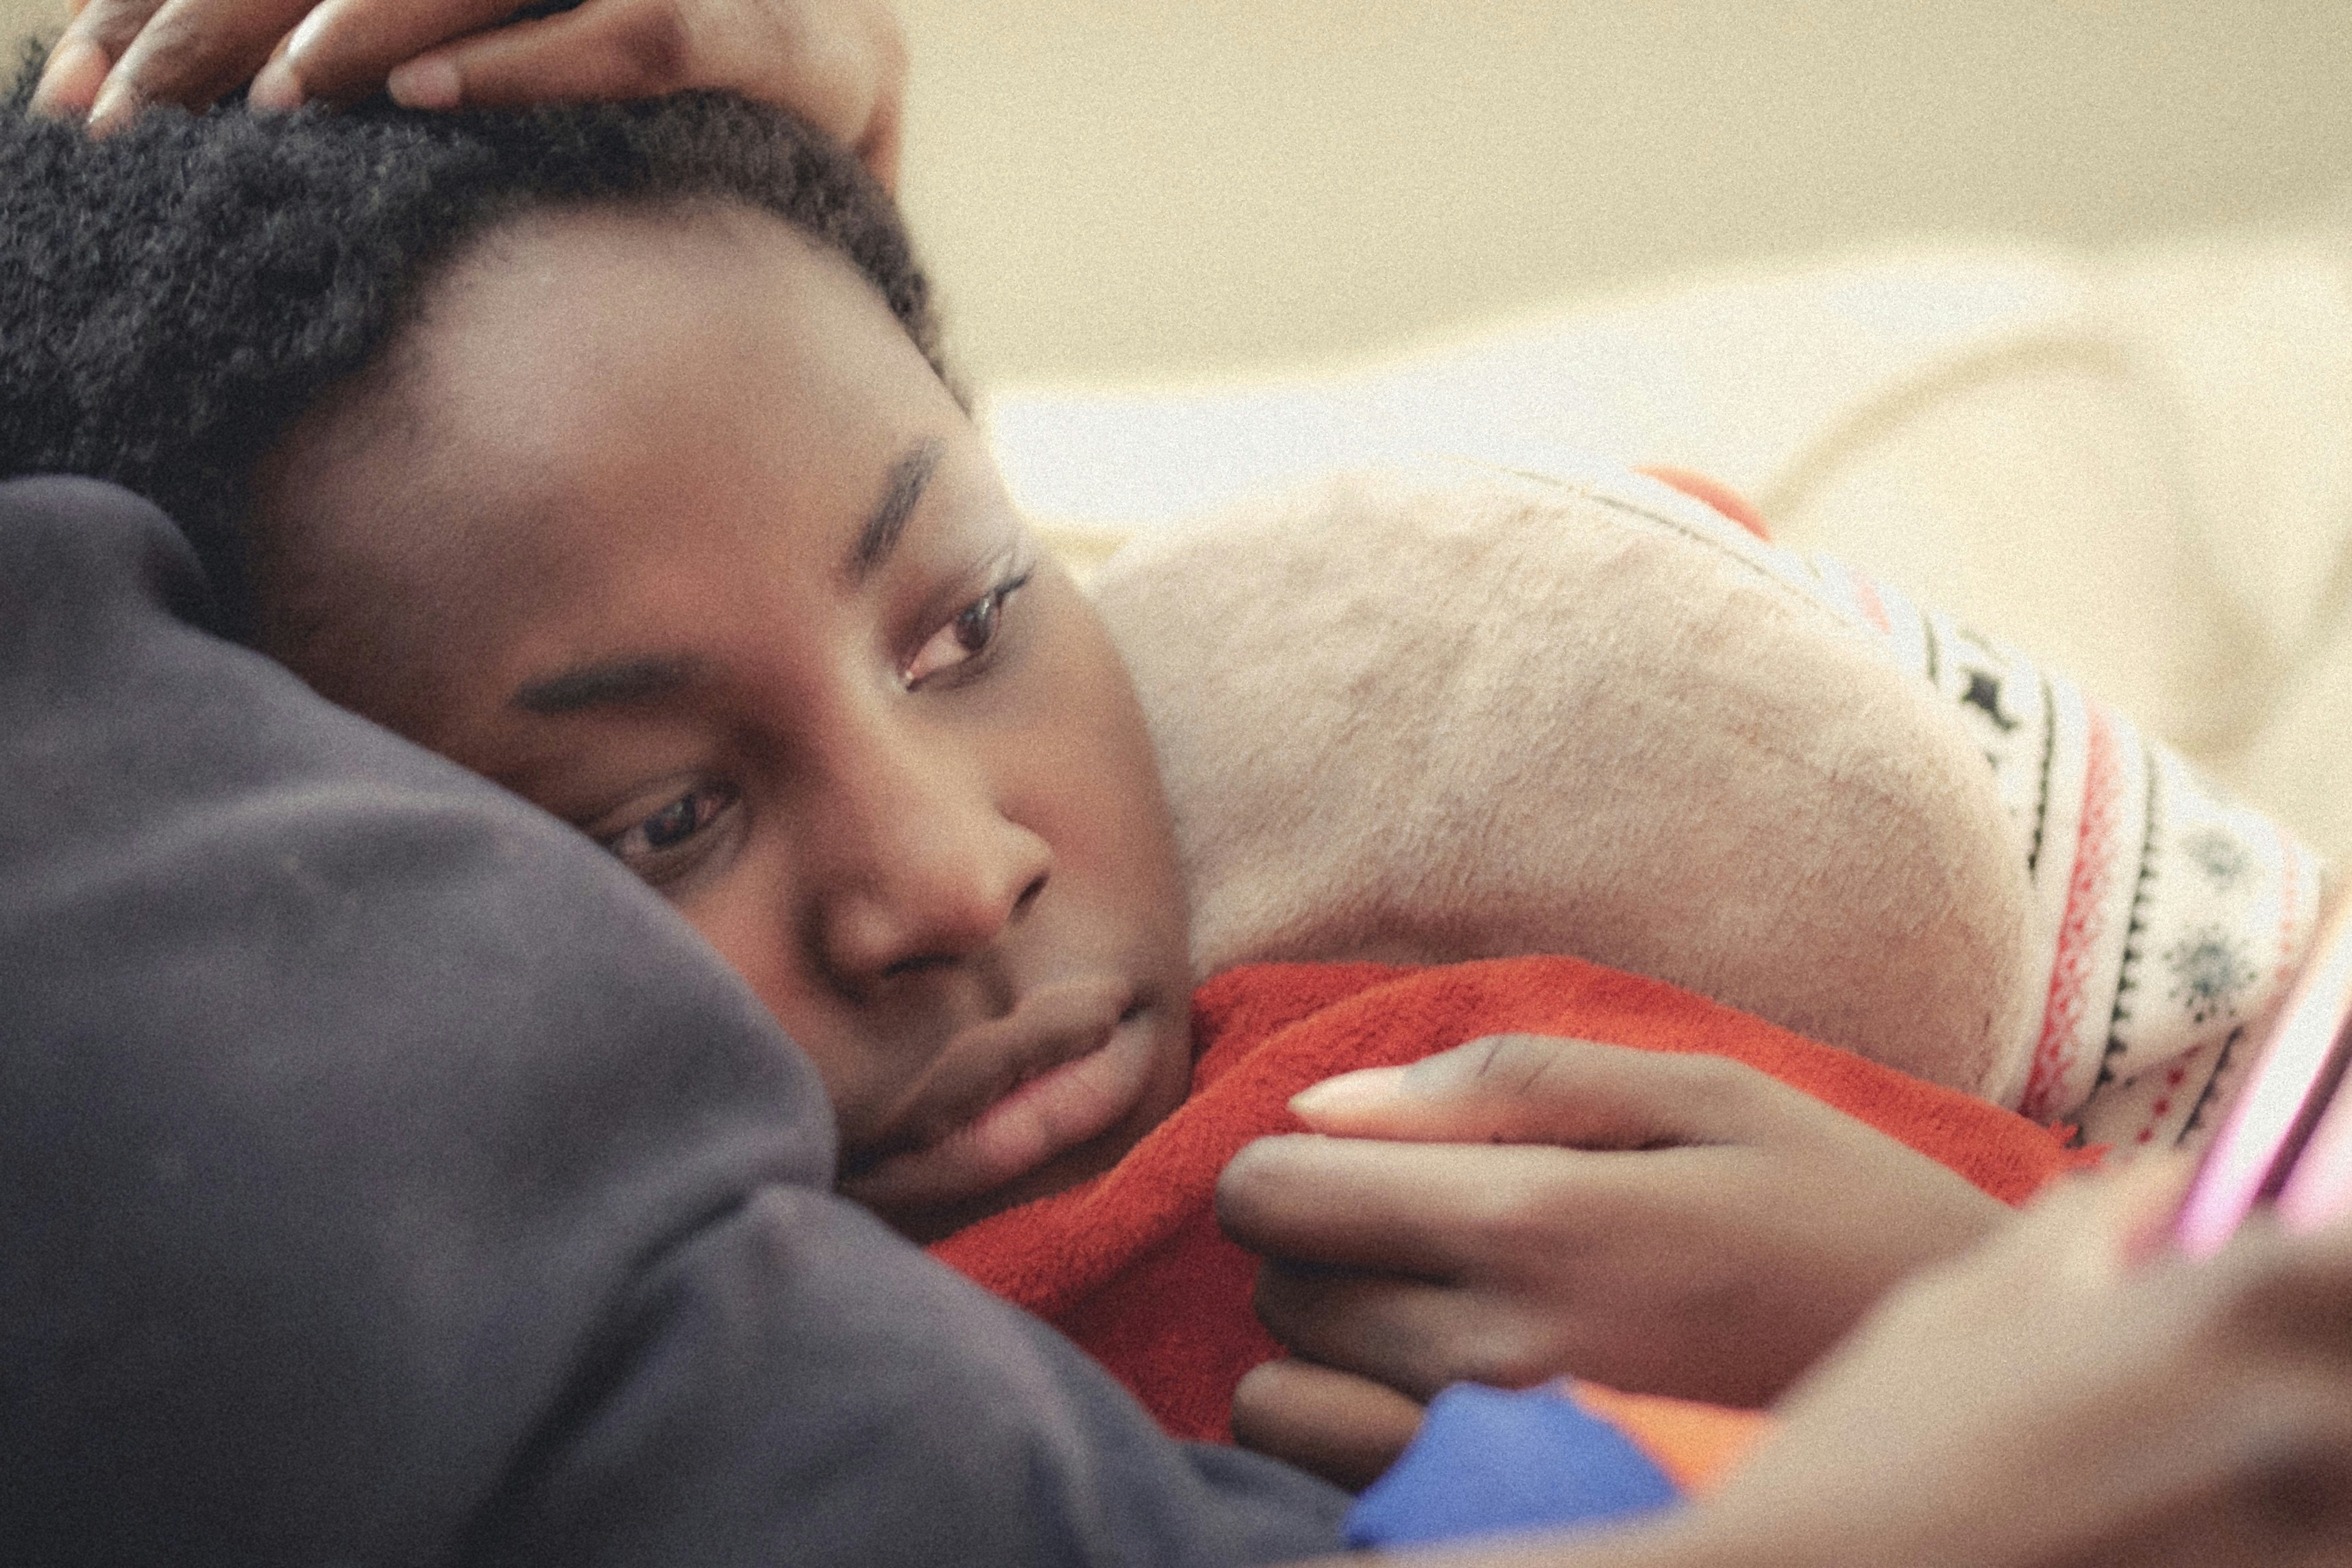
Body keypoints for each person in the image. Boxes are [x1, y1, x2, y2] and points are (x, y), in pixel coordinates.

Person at [10, 465, 2352, 1567]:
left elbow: (2232, 1383)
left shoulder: (1468, 1080)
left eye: (965, 626)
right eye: (662, 819)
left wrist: (1949, 1277)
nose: (955, 871)